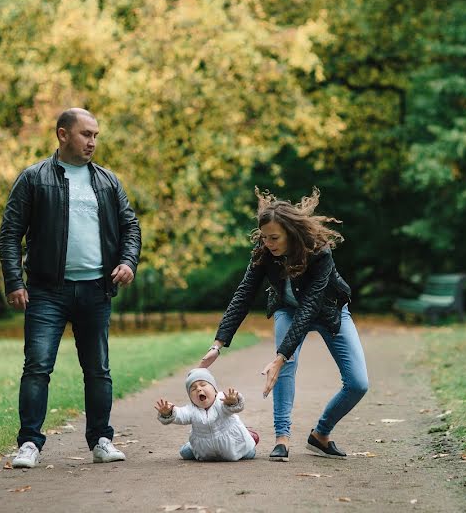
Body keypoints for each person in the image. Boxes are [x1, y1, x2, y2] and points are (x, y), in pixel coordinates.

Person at [0, 107, 141, 469]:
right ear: (63, 135)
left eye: (95, 135)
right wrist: (14, 280)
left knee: (98, 370)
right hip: (47, 291)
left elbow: (131, 227)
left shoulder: (107, 181)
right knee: (37, 367)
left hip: (95, 289)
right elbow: (10, 232)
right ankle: (29, 443)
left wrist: (127, 261)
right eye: (85, 134)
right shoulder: (34, 178)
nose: (92, 141)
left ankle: (101, 441)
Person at [200, 188, 369, 462]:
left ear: (291, 232)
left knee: (358, 383)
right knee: (285, 369)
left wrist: (280, 356)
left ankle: (321, 434)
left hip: (329, 312)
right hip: (287, 310)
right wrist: (218, 344)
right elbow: (243, 294)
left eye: (274, 237)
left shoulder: (319, 252)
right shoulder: (264, 253)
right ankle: (282, 438)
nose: (268, 243)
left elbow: (311, 305)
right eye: (264, 237)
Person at [155, 368, 259, 461]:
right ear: (191, 398)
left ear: (214, 390)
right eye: (193, 389)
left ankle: (247, 434)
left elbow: (232, 408)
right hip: (206, 450)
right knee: (184, 453)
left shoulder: (221, 401)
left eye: (203, 385)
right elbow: (179, 415)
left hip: (232, 445)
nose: (199, 389)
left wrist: (232, 402)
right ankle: (191, 446)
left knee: (250, 453)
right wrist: (168, 413)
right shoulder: (191, 410)